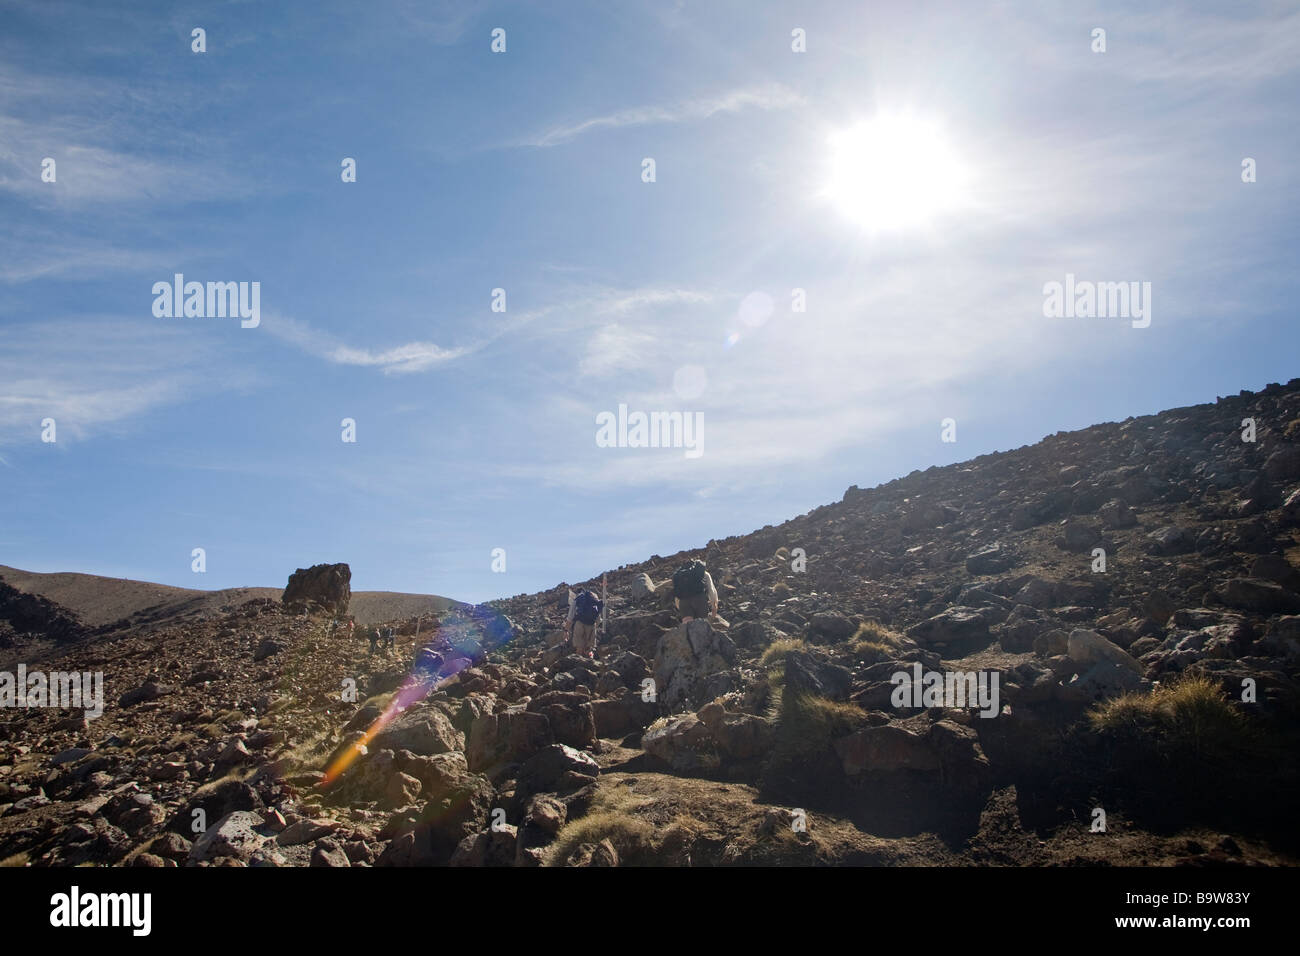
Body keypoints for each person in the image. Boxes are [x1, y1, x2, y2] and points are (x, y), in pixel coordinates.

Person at [566, 588, 604, 659]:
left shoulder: (578, 599)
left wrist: (566, 630)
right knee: (589, 649)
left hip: (580, 624)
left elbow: (570, 617)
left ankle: (579, 664)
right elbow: (598, 617)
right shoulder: (593, 598)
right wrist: (594, 626)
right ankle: (591, 664)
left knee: (579, 647)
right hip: (592, 624)